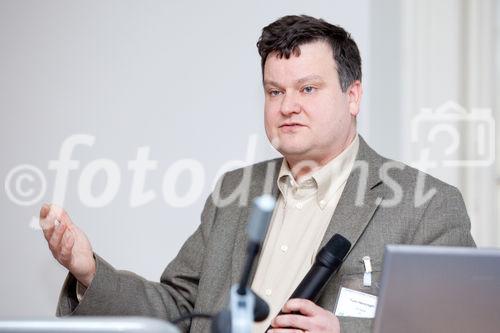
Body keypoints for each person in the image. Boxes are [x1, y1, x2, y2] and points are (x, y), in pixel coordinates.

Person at [39, 15, 475, 333]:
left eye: (308, 88)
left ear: (353, 95)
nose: (287, 106)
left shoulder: (428, 204)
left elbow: (461, 325)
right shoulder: (235, 191)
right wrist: (89, 272)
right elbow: (180, 309)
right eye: (274, 91)